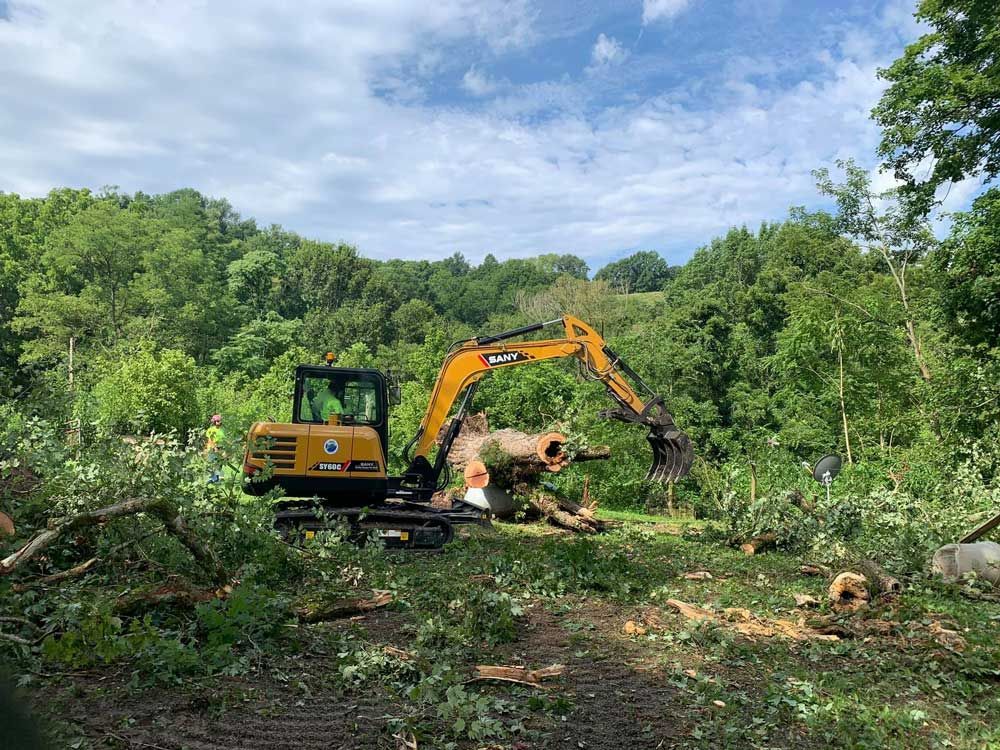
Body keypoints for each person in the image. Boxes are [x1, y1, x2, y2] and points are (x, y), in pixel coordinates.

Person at [205, 414, 225, 483]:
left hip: (220, 448)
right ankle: (212, 478)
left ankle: (216, 479)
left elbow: (224, 440)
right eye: (217, 421)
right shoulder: (210, 430)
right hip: (212, 448)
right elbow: (210, 440)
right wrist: (215, 448)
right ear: (214, 422)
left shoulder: (222, 430)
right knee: (212, 464)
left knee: (219, 464)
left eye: (220, 421)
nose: (219, 422)